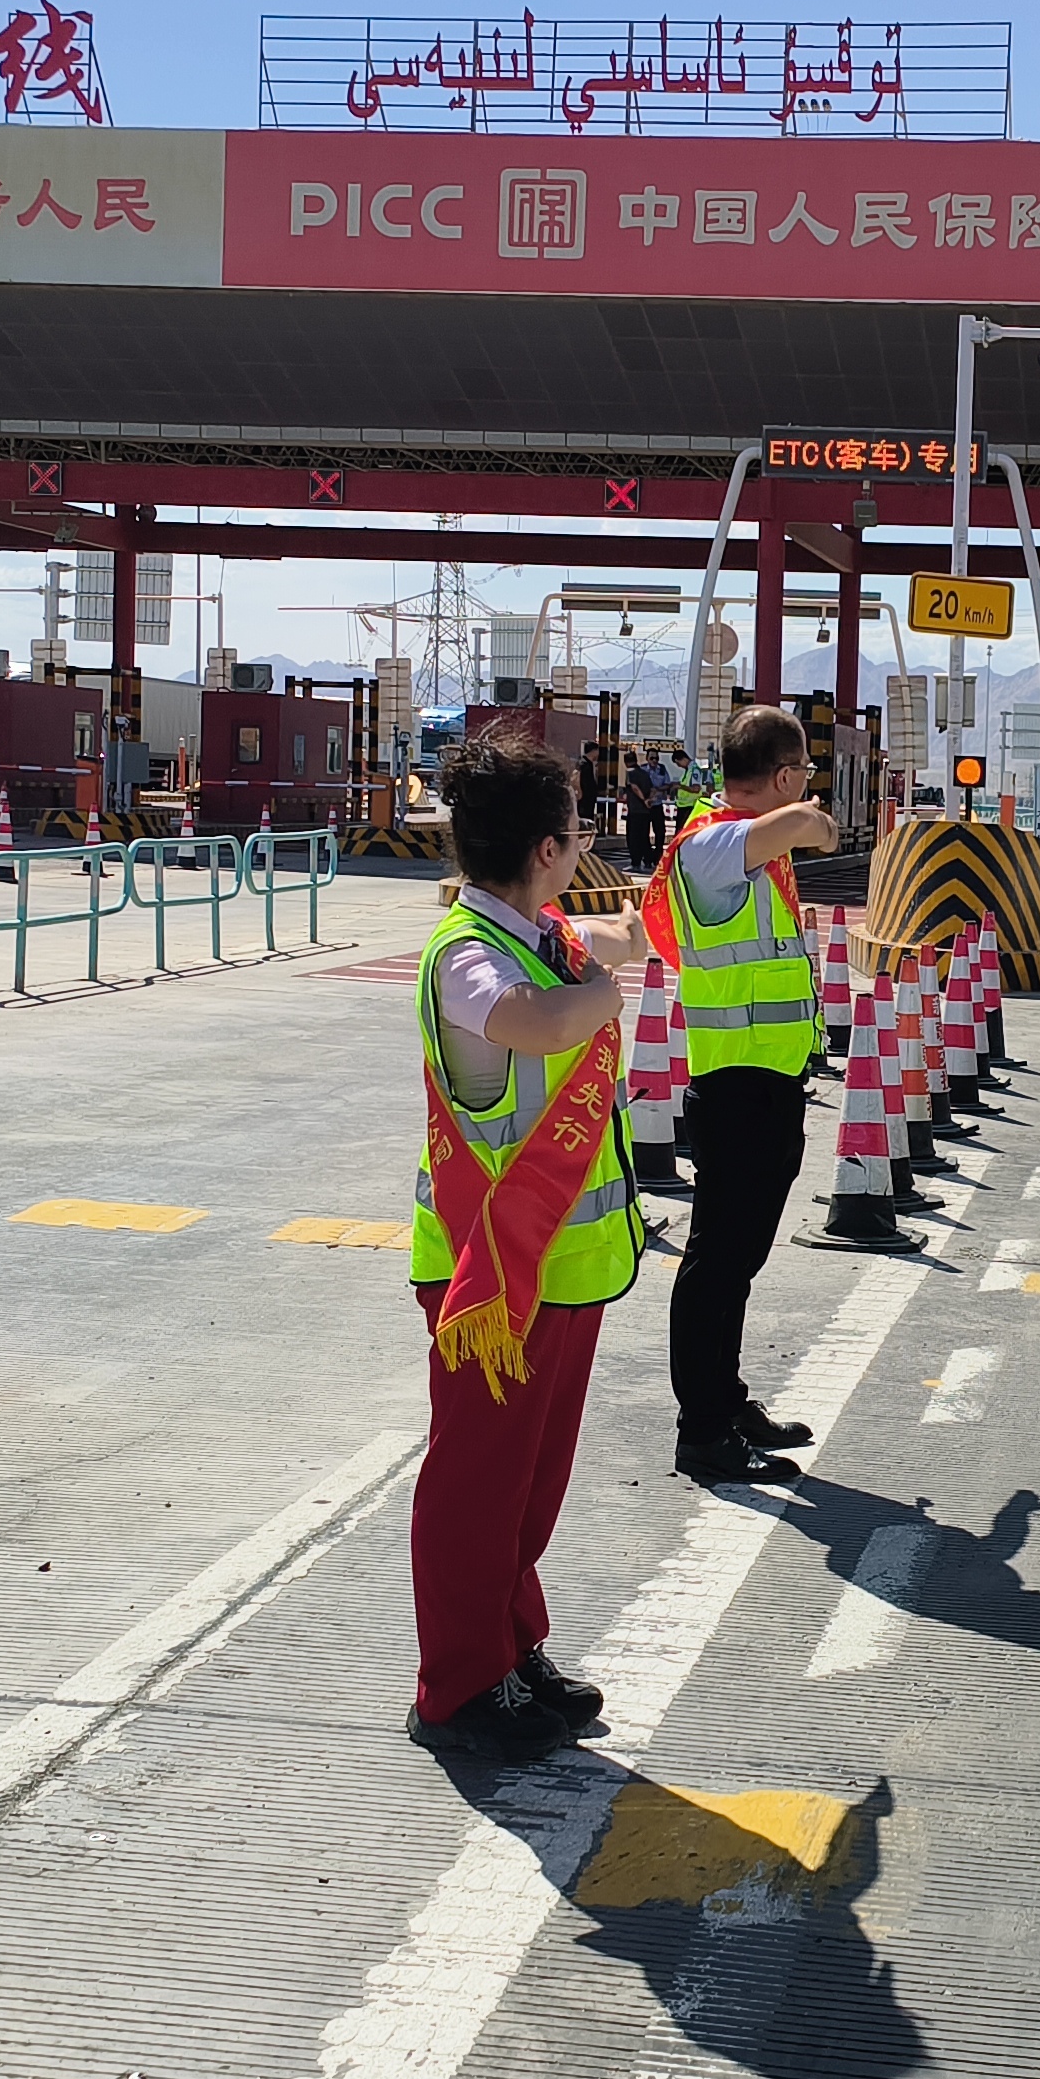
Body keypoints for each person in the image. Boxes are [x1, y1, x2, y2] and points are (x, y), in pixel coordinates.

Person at [405, 731, 649, 1763]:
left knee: (528, 1484)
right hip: (491, 1273)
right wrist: (606, 992)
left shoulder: (539, 934)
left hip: (563, 1265)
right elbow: (534, 1025)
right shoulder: (469, 956)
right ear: (549, 850)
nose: (584, 845)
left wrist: (620, 942)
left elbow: (604, 944)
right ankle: (459, 1687)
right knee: (478, 1485)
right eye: (580, 831)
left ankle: (511, 1648)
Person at [658, 702, 840, 1483]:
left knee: (738, 1261)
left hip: (768, 1083)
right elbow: (801, 827)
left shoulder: (741, 846)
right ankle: (702, 1430)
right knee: (718, 1261)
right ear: (786, 775)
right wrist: (816, 819)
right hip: (734, 1086)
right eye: (804, 773)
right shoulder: (711, 845)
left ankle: (725, 1402)